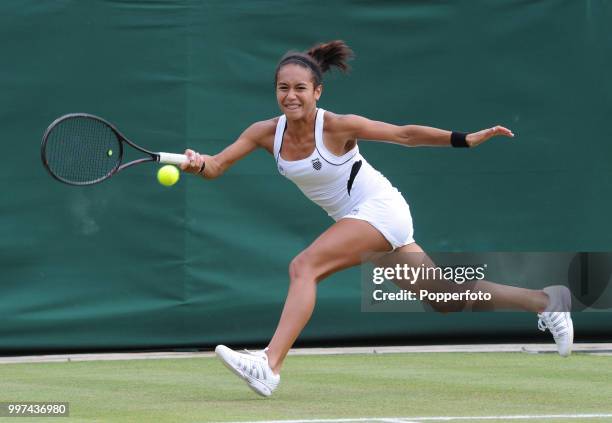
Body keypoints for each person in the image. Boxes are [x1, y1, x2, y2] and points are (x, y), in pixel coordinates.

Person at [181, 40, 573, 397]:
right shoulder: (264, 133)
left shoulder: (337, 125)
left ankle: (270, 364)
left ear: (318, 92)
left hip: (380, 209)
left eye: (301, 88)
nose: (291, 95)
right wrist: (197, 164)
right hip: (359, 219)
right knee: (446, 299)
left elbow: (403, 134)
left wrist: (463, 138)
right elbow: (216, 166)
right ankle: (546, 301)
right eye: (284, 88)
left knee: (305, 267)